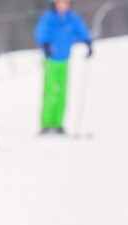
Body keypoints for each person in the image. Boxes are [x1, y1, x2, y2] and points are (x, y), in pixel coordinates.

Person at [34, 0, 92, 135]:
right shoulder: (49, 18)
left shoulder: (71, 18)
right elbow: (41, 32)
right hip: (51, 60)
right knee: (51, 92)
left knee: (62, 92)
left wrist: (88, 42)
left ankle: (58, 123)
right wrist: (45, 45)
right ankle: (47, 123)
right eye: (60, 2)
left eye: (66, 3)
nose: (63, 5)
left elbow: (81, 30)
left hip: (64, 59)